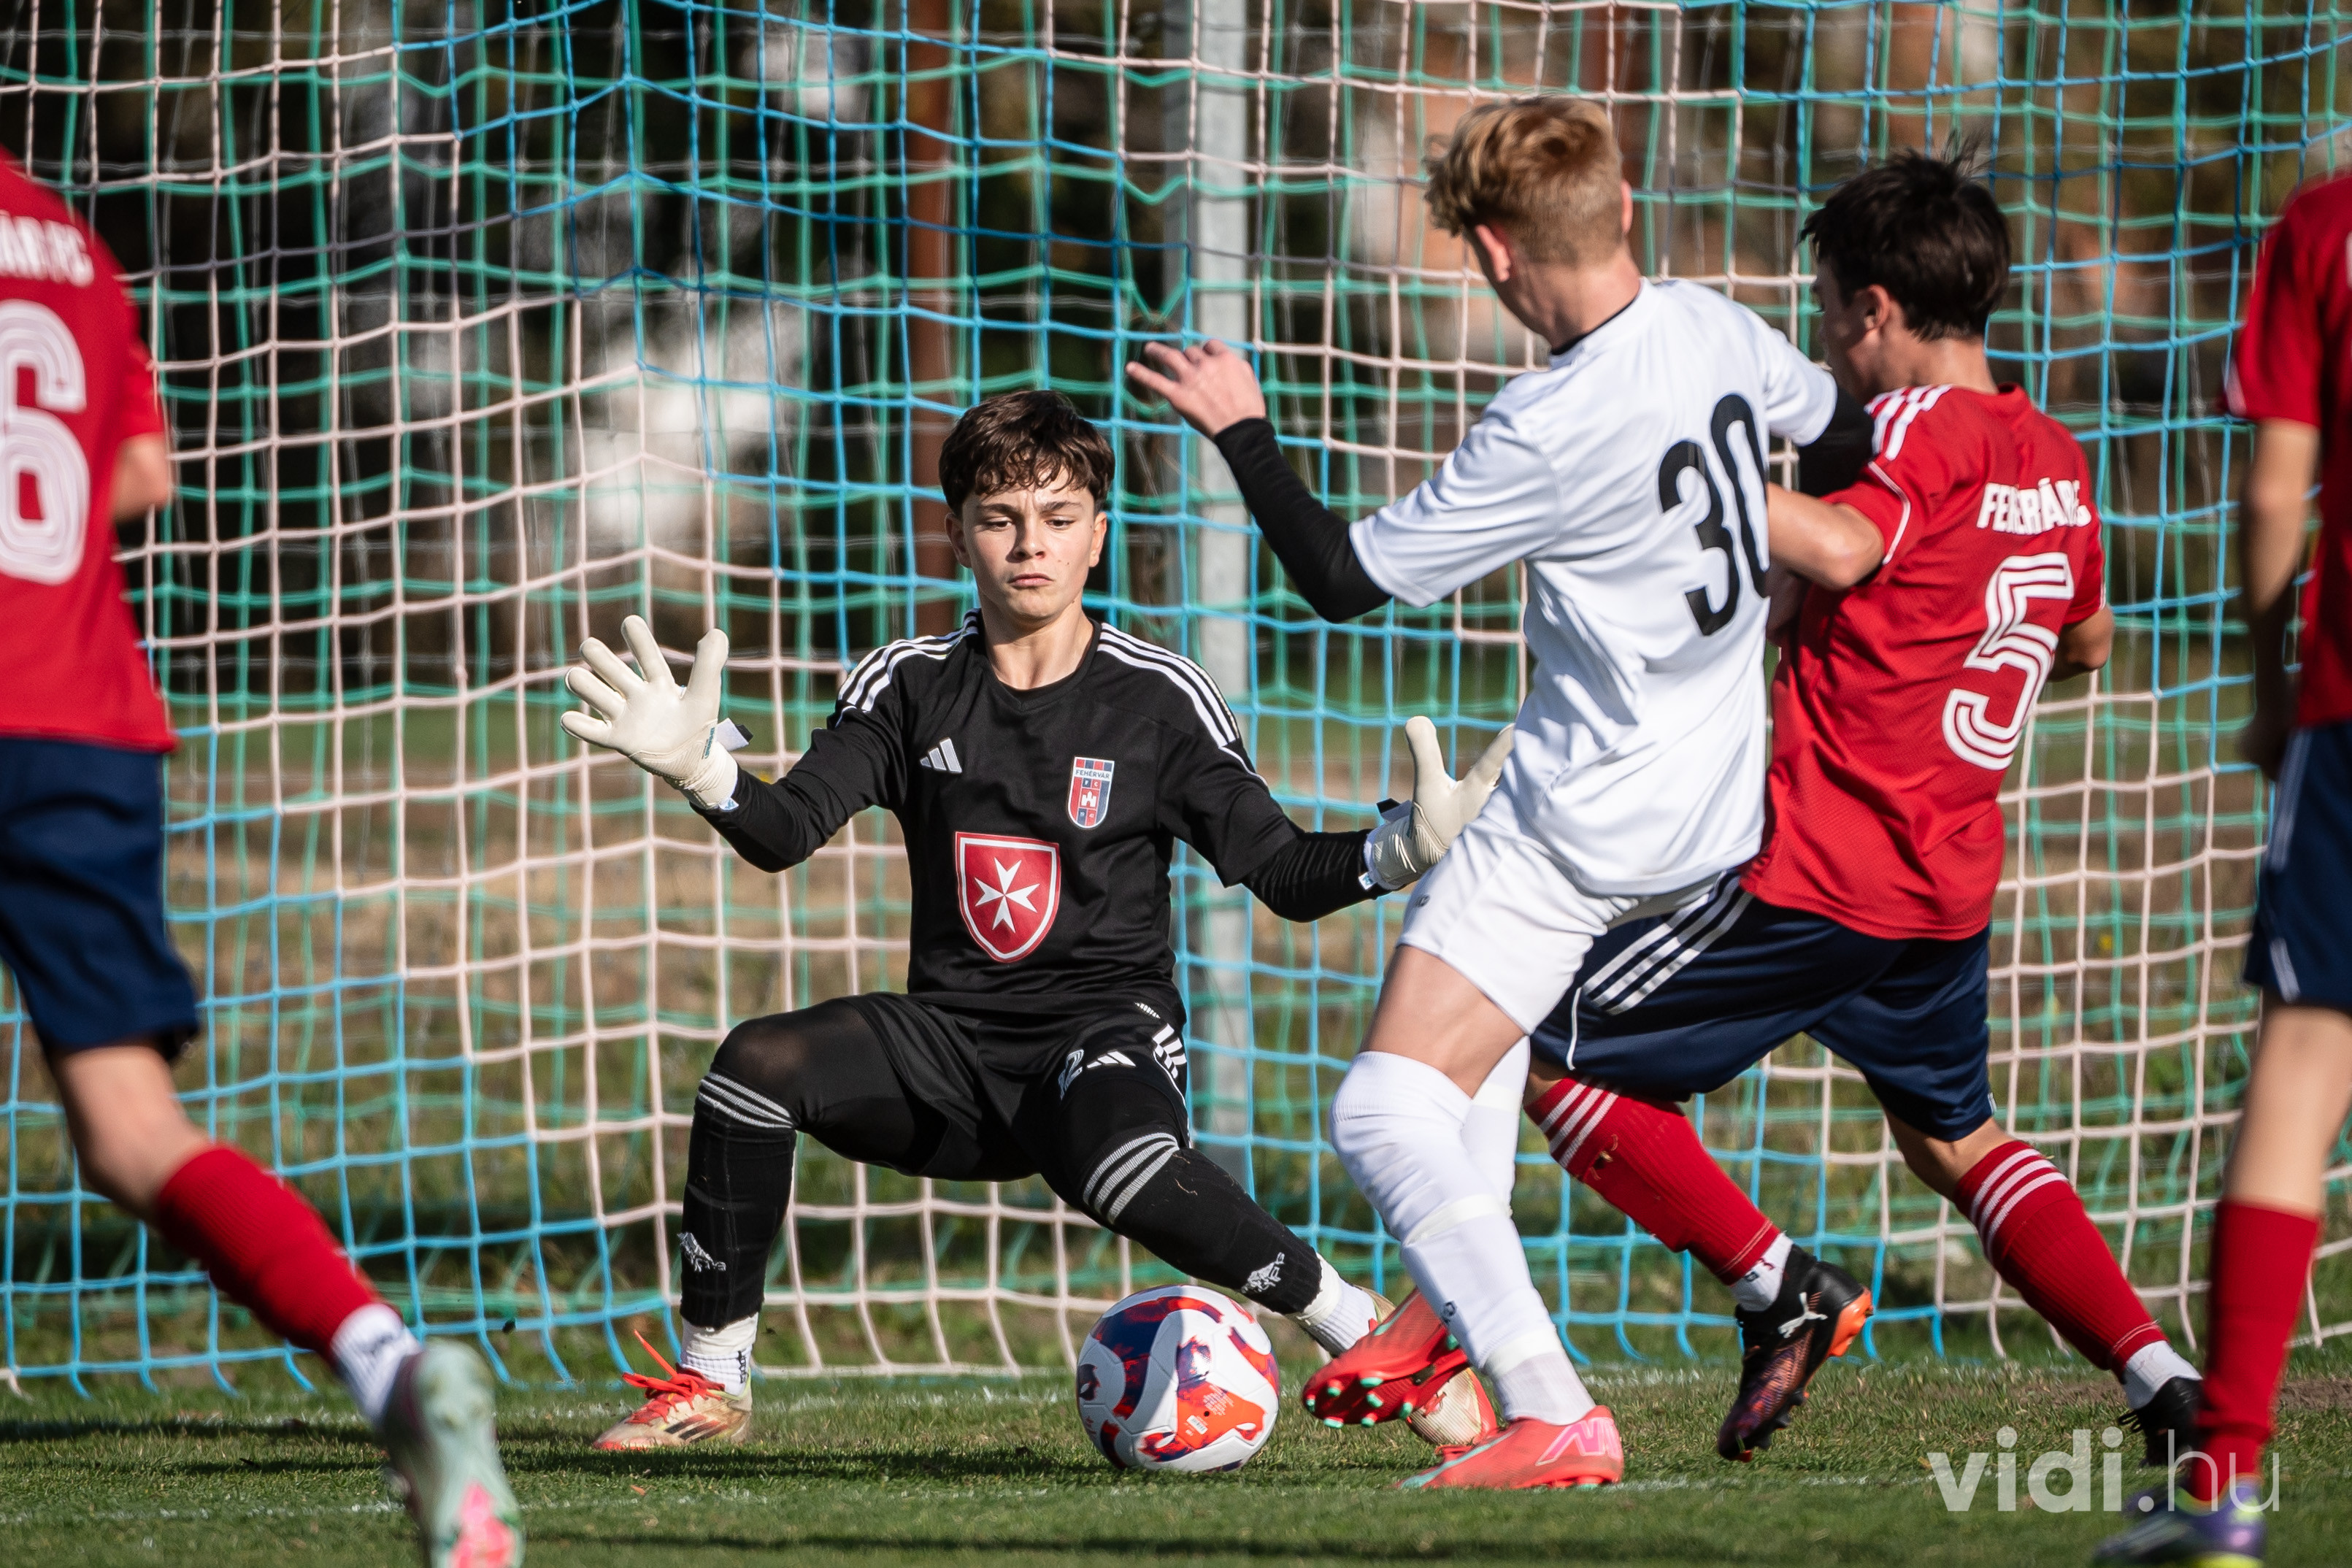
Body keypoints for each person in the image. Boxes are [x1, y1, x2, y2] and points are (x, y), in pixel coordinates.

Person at [1129, 94, 1878, 1489]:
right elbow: (1840, 438)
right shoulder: (1715, 326)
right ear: (1622, 209)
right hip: (1715, 803)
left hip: (1581, 817)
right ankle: (1442, 1322)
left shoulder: (1544, 423)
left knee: (1381, 1110)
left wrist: (1241, 428)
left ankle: (1548, 1409)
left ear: (1490, 251)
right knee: (1477, 1052)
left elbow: (1341, 579)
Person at [564, 391, 1508, 1451]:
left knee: (1121, 1165)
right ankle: (710, 1382)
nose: (1030, 545)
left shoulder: (1159, 698)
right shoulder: (908, 685)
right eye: (1001, 518)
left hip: (1099, 1039)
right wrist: (703, 770)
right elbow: (785, 832)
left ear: (1097, 537)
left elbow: (1280, 871)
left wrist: (1400, 851)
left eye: (1059, 519)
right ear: (956, 530)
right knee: (753, 1067)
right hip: (951, 1051)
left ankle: (1366, 1329)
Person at [1507, 151, 2202, 1467]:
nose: (1826, 343)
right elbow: (2089, 639)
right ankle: (2157, 1374)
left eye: (1828, 313)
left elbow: (1840, 545)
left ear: (1874, 309)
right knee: (1952, 1140)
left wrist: (1672, 459)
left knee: (1538, 1049)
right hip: (1945, 879)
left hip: (1819, 871)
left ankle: (1777, 1286)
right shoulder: (2052, 455)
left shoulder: (1906, 429)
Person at [0, 151, 519, 1567]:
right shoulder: (67, 241)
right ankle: (387, 1365)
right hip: (83, 726)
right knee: (134, 1133)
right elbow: (141, 473)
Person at [2094, 167, 2352, 1568]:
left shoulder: (2321, 226)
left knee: (2303, 1067)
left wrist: (2269, 686)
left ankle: (2226, 1483)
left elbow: (2271, 492)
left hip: (2351, 705)